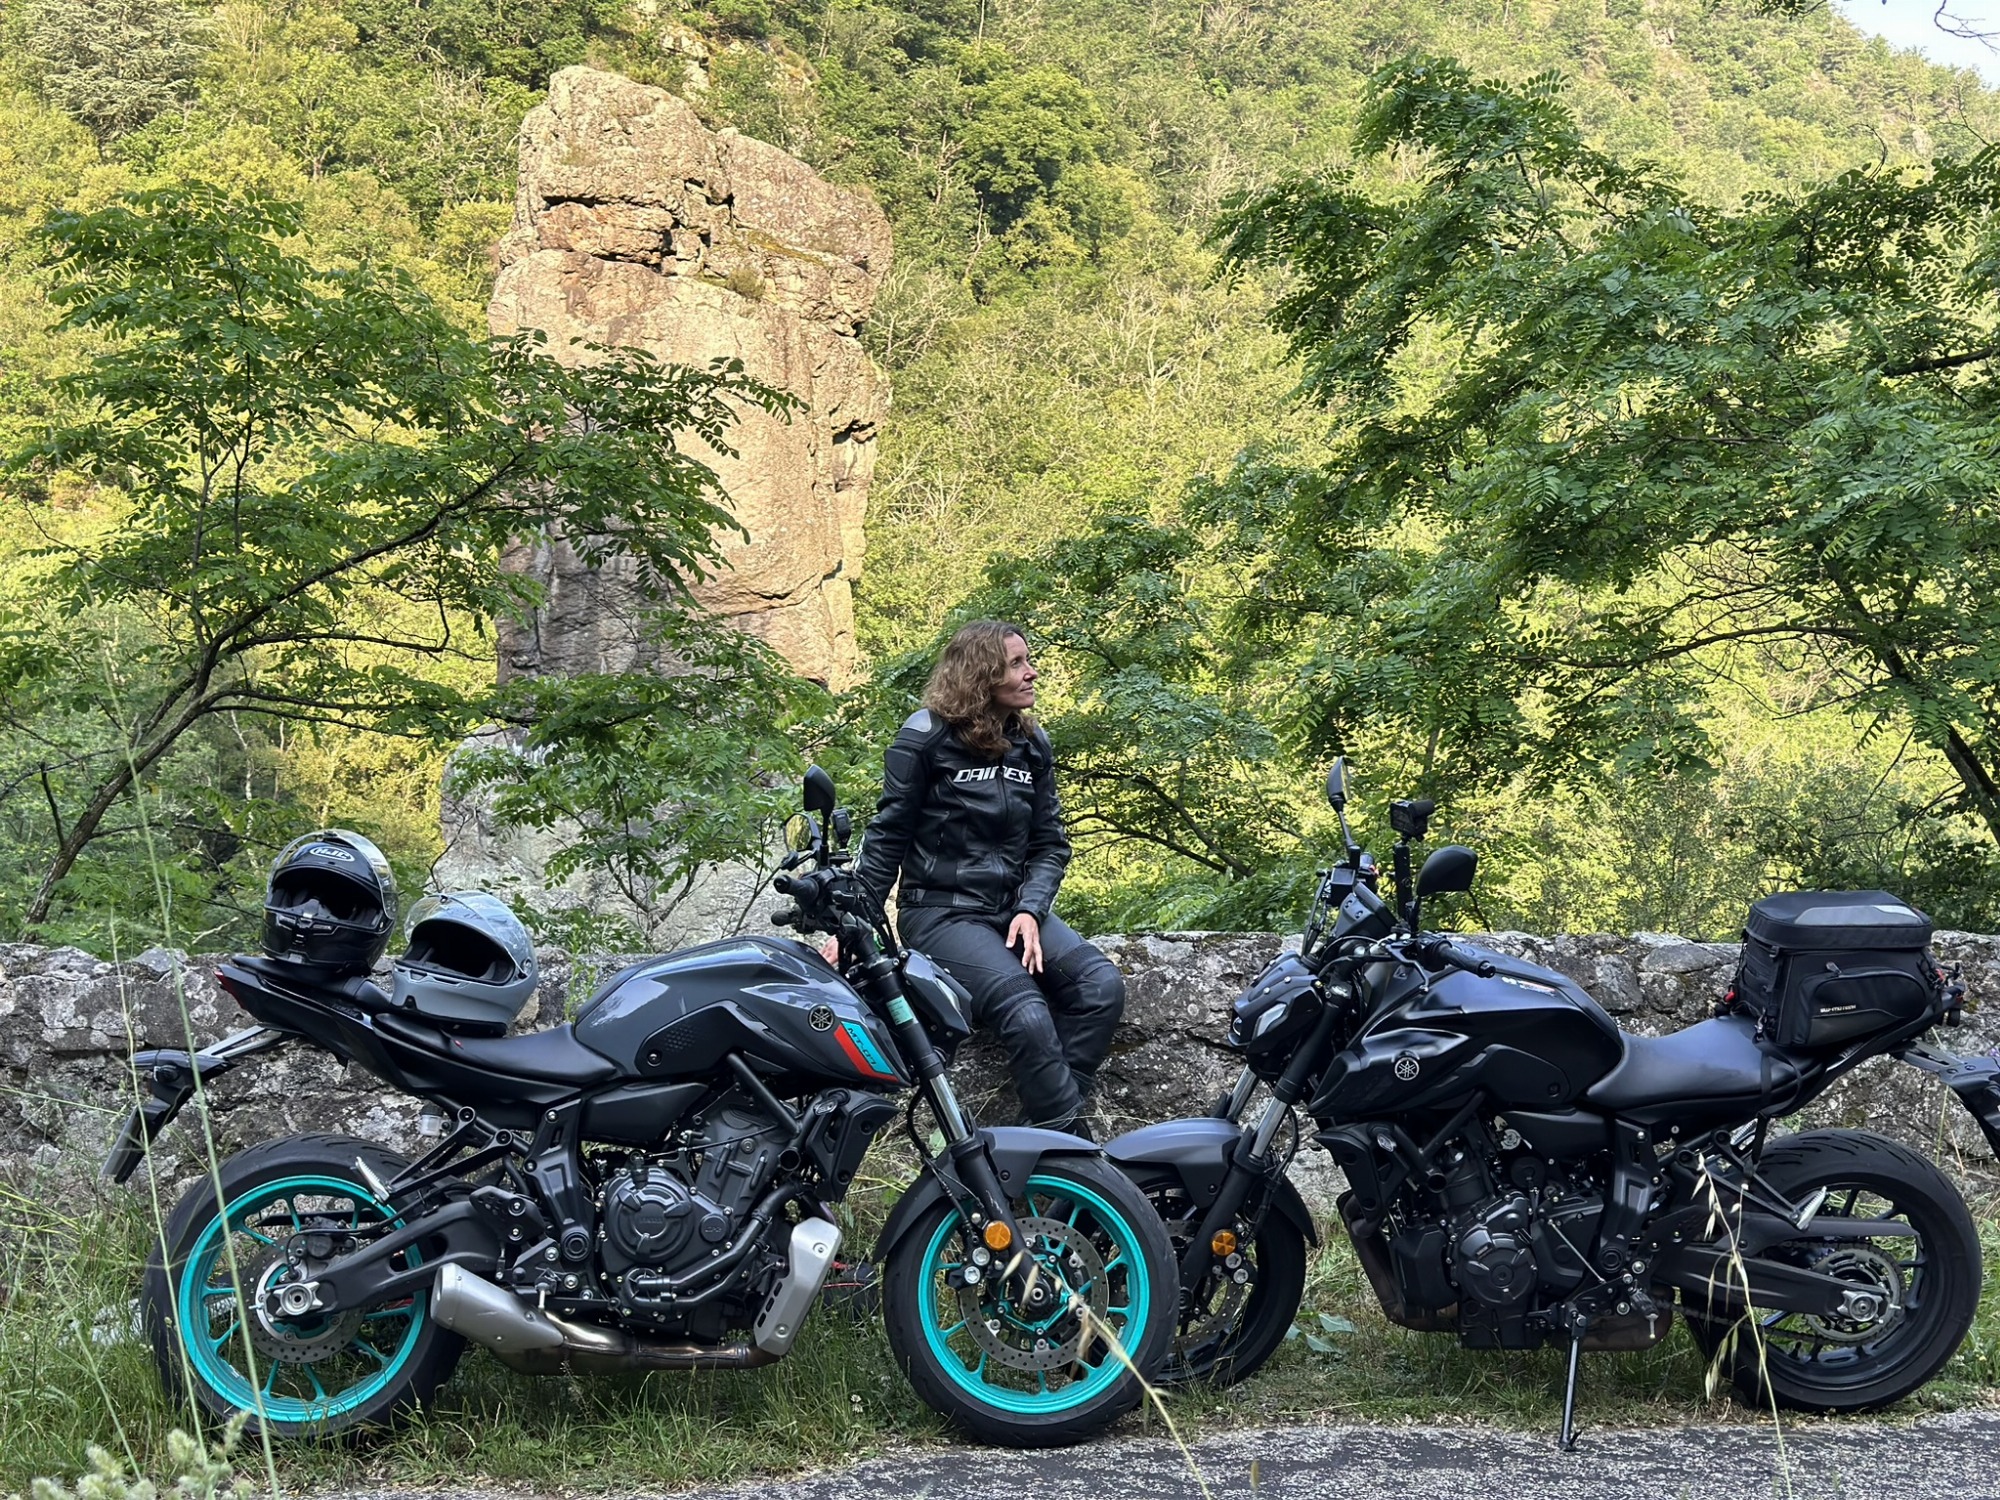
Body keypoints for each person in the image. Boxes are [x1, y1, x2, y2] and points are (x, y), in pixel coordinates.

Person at [850, 620, 1125, 1136]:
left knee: (1101, 986)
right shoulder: (925, 737)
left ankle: (1040, 1142)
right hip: (941, 913)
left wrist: (1030, 907)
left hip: (1013, 910)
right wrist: (854, 929)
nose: (1032, 671)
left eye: (1028, 660)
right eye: (1017, 663)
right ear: (981, 673)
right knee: (1027, 1014)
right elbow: (887, 837)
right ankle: (1082, 1162)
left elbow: (1050, 844)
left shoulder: (1031, 742)